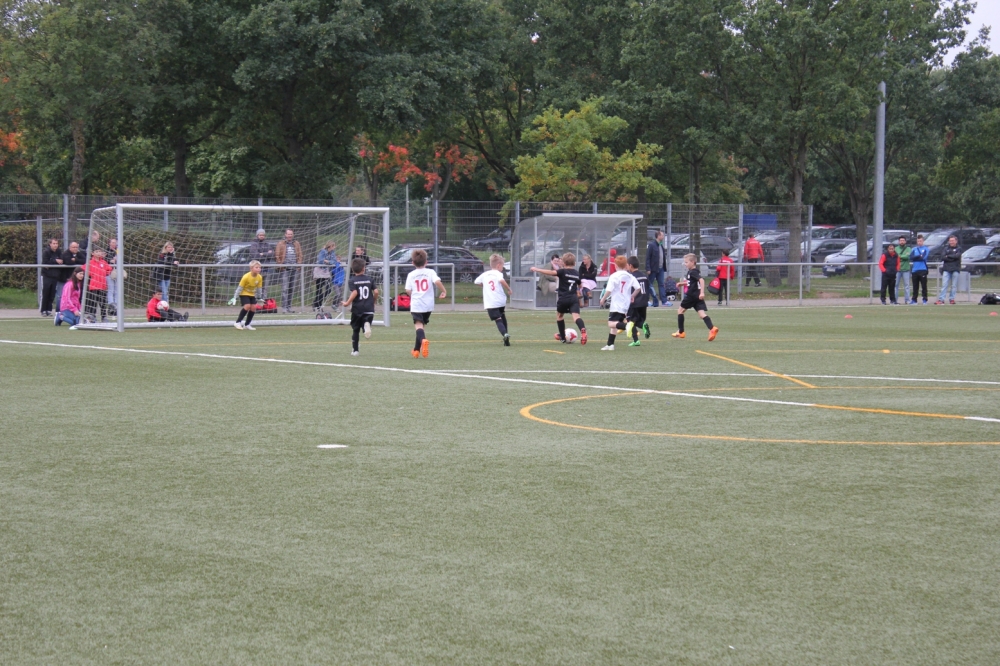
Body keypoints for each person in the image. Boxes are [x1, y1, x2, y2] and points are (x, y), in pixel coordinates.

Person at [530, 252, 588, 345]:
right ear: (574, 263)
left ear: (564, 263)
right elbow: (580, 285)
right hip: (573, 299)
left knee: (560, 316)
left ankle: (563, 338)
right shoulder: (577, 273)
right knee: (576, 317)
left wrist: (537, 269)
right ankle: (582, 329)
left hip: (563, 298)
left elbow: (551, 272)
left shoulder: (562, 271)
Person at [405, 248, 446, 358]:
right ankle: (416, 350)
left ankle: (423, 340)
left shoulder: (411, 274)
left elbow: (408, 290)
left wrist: (413, 295)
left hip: (417, 304)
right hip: (428, 305)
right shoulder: (430, 272)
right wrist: (443, 291)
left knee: (418, 325)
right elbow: (437, 281)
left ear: (413, 263)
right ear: (426, 262)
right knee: (421, 326)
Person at [672, 253, 719, 341]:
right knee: (702, 314)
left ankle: (681, 332)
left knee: (680, 311)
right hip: (697, 296)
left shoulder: (693, 272)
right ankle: (712, 328)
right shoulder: (693, 272)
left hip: (691, 295)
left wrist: (702, 292)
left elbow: (701, 280)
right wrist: (682, 283)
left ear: (692, 262)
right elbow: (692, 282)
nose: (685, 264)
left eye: (686, 262)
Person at [599, 255, 639, 351]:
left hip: (616, 304)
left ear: (615, 265)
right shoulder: (630, 276)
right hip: (625, 305)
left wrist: (603, 299)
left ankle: (626, 326)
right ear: (626, 265)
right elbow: (638, 288)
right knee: (615, 325)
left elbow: (609, 290)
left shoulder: (614, 276)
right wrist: (631, 296)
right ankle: (610, 344)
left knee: (611, 324)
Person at [342, 258, 379, 356]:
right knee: (366, 323)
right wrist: (373, 301)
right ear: (364, 268)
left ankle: (355, 351)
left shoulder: (352, 280)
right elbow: (376, 292)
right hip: (369, 308)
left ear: (353, 269)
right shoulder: (370, 279)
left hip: (357, 309)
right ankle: (366, 325)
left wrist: (347, 303)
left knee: (355, 329)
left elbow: (354, 292)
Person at [474, 254, 512, 346]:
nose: (502, 268)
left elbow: (476, 282)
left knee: (498, 319)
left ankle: (504, 334)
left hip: (491, 302)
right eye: (502, 266)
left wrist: (484, 285)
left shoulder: (485, 274)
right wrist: (508, 289)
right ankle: (506, 340)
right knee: (502, 316)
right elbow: (501, 280)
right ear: (498, 265)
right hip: (501, 300)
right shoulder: (498, 273)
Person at [274, 228, 302, 313]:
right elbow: (277, 255)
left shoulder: (296, 243)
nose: (290, 236)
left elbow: (300, 254)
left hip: (294, 269)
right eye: (288, 234)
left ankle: (289, 307)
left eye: (291, 234)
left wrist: (299, 264)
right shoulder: (280, 243)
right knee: (284, 289)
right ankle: (284, 307)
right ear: (285, 234)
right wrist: (280, 265)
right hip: (285, 269)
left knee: (291, 289)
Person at [625, 256, 651, 346]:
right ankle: (643, 325)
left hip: (634, 302)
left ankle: (636, 340)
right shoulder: (644, 276)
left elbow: (630, 290)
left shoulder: (631, 277)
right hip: (644, 302)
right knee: (638, 321)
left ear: (630, 266)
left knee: (630, 321)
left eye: (627, 265)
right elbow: (648, 288)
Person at [231, 260, 264, 330]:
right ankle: (237, 322)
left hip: (252, 294)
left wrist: (259, 297)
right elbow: (240, 288)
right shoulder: (246, 277)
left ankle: (247, 324)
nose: (259, 269)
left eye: (259, 267)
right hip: (244, 293)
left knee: (253, 308)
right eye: (256, 267)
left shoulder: (260, 277)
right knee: (247, 306)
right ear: (251, 268)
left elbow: (259, 288)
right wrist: (235, 297)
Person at [85, 249, 112, 322]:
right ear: (92, 253)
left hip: (102, 286)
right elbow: (84, 269)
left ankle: (104, 317)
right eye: (96, 251)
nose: (98, 253)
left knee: (103, 303)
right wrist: (91, 274)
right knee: (93, 302)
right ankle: (92, 316)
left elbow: (109, 269)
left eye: (99, 251)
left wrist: (109, 272)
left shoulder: (103, 262)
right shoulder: (90, 262)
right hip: (93, 286)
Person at [249, 228, 275, 299]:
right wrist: (266, 254)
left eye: (263, 235)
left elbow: (272, 254)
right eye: (260, 235)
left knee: (265, 287)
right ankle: (255, 302)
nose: (262, 236)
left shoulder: (267, 244)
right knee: (256, 287)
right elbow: (255, 256)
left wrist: (262, 254)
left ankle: (263, 302)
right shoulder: (254, 244)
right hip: (257, 270)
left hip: (266, 269)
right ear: (257, 235)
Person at [40, 238, 63, 317]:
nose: (55, 245)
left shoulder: (59, 251)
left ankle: (49, 310)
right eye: (54, 243)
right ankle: (43, 310)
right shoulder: (46, 252)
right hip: (46, 275)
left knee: (52, 294)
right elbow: (45, 262)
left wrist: (55, 261)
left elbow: (61, 260)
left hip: (55, 276)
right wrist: (55, 261)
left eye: (56, 243)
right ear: (50, 244)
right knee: (45, 292)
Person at [936, 235, 961, 304]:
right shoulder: (945, 248)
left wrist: (948, 256)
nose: (951, 242)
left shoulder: (959, 249)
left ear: (956, 241)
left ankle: (952, 299)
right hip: (946, 269)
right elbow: (943, 257)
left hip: (955, 269)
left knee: (954, 285)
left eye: (952, 241)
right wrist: (951, 257)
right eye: (950, 241)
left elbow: (957, 256)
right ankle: (941, 299)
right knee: (944, 285)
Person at [646, 230, 667, 306]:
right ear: (658, 236)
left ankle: (664, 301)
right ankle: (647, 300)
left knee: (661, 284)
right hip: (653, 269)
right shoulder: (652, 245)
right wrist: (648, 268)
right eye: (662, 235)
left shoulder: (661, 245)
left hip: (660, 269)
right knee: (649, 284)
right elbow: (648, 257)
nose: (663, 237)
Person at [313, 241, 336, 311]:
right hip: (319, 271)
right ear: (330, 246)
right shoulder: (323, 251)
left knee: (328, 289)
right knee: (319, 289)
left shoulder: (332, 252)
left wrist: (328, 261)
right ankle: (318, 306)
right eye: (334, 246)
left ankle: (317, 302)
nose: (334, 248)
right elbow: (320, 261)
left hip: (326, 272)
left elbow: (334, 261)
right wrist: (325, 261)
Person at [910, 234, 930, 304]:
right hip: (914, 270)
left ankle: (925, 299)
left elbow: (923, 257)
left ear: (923, 241)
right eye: (918, 241)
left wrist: (917, 257)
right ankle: (914, 300)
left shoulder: (926, 249)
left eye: (920, 241)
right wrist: (919, 256)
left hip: (923, 269)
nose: (919, 242)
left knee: (924, 286)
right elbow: (911, 258)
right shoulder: (914, 249)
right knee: (915, 286)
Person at [895, 235, 912, 305]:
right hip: (897, 270)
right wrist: (903, 256)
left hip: (906, 269)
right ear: (899, 241)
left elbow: (908, 257)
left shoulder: (908, 249)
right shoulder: (896, 249)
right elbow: (895, 257)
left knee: (907, 286)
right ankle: (895, 300)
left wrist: (900, 256)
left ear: (905, 241)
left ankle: (907, 300)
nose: (902, 242)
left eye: (903, 240)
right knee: (896, 285)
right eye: (900, 240)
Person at [105, 238, 119, 316]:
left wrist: (117, 259)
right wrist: (110, 260)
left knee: (116, 290)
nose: (114, 244)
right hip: (109, 273)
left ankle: (116, 304)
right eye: (112, 242)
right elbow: (105, 260)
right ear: (109, 243)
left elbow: (121, 259)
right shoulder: (106, 251)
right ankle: (111, 304)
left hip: (116, 272)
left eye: (115, 242)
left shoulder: (117, 251)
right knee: (111, 289)